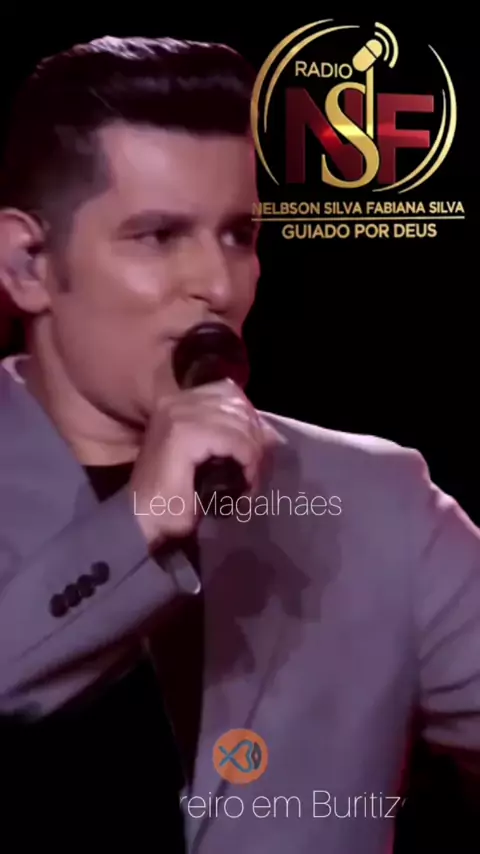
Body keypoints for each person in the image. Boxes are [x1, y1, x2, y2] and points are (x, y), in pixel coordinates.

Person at [0, 35, 478, 854]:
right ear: (28, 264)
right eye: (159, 236)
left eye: (238, 235)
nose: (217, 286)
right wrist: (136, 526)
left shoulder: (379, 504)